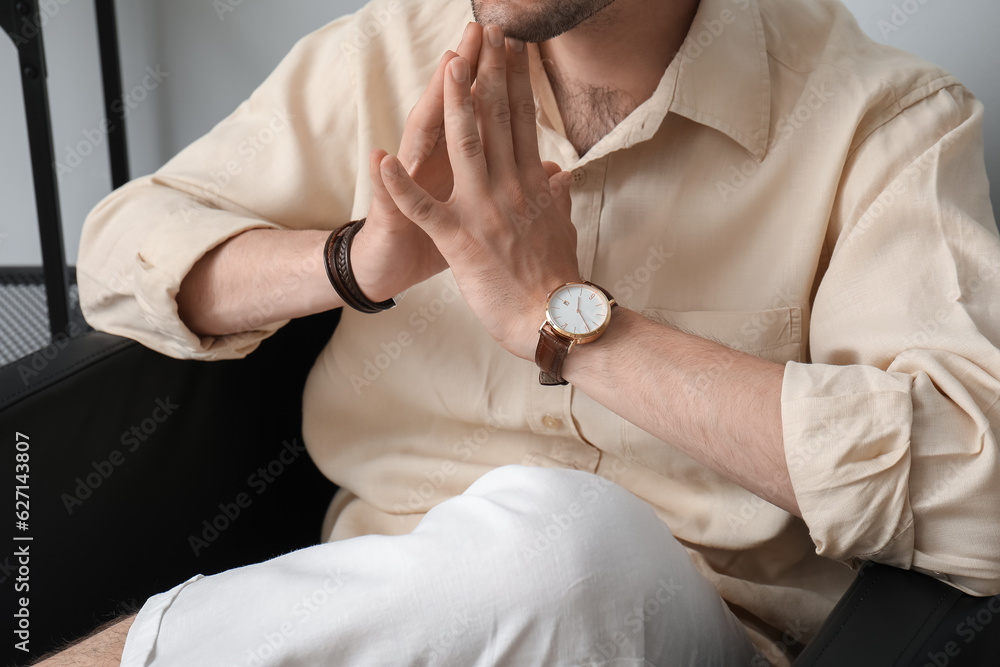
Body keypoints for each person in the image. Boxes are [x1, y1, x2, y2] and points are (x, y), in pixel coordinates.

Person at [48, 0, 1000, 663]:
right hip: (365, 627)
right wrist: (352, 263)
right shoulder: (379, 56)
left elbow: (980, 494)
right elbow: (123, 254)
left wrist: (571, 320)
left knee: (571, 551)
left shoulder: (882, 120)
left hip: (690, 629)